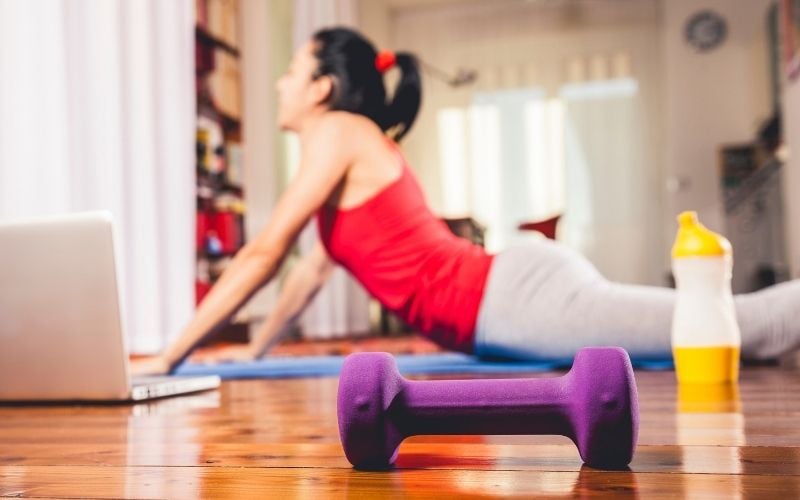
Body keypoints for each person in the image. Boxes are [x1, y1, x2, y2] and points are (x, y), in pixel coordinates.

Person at [131, 27, 800, 375]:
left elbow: (261, 253)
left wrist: (170, 357)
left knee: (737, 329)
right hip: (510, 294)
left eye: (292, 71)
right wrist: (253, 352)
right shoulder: (340, 151)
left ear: (322, 90)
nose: (279, 82)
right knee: (720, 332)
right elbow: (304, 275)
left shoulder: (339, 133)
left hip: (516, 300)